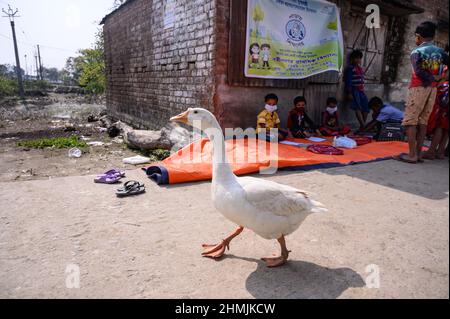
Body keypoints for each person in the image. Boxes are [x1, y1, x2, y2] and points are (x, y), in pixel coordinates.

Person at [396, 21, 449, 164]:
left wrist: (431, 78)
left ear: (418, 36)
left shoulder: (417, 52)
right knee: (423, 121)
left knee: (410, 121)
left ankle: (412, 155)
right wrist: (439, 79)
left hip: (418, 88)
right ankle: (418, 154)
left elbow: (418, 72)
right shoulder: (440, 51)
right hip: (433, 89)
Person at [423, 64, 449, 160]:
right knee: (446, 129)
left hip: (444, 108)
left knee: (440, 127)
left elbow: (441, 101)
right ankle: (440, 152)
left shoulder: (445, 85)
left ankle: (431, 151)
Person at [345, 50, 369, 131]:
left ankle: (362, 126)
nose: (358, 60)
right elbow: (348, 81)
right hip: (354, 91)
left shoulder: (360, 68)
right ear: (352, 59)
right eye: (356, 58)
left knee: (366, 108)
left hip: (361, 91)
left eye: (359, 58)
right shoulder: (350, 68)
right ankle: (364, 126)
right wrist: (349, 92)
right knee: (357, 108)